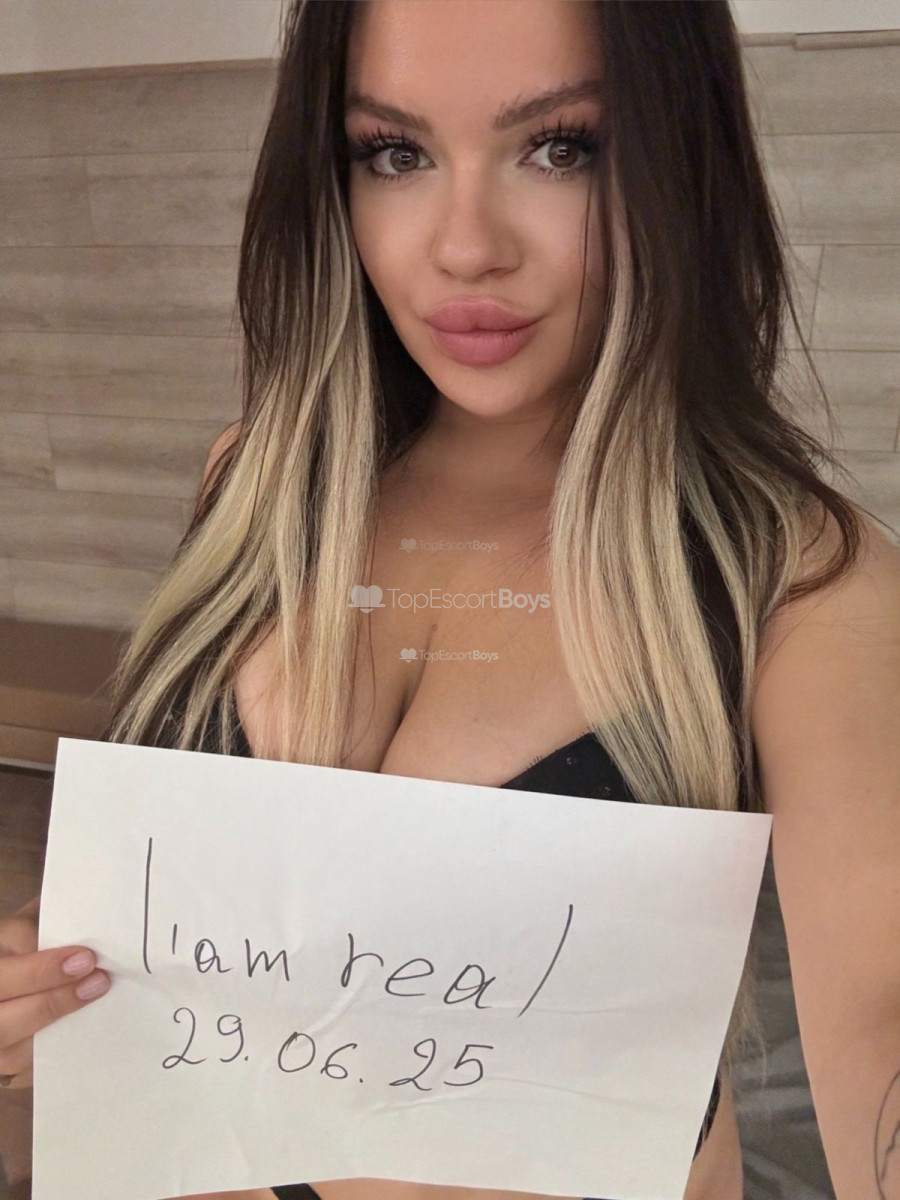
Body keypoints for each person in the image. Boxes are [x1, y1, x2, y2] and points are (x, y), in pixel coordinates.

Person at [2, 2, 898, 1199]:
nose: (465, 247)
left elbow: (881, 1009)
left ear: (683, 165)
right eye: (395, 153)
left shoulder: (797, 582)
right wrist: (58, 973)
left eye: (562, 147)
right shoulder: (258, 479)